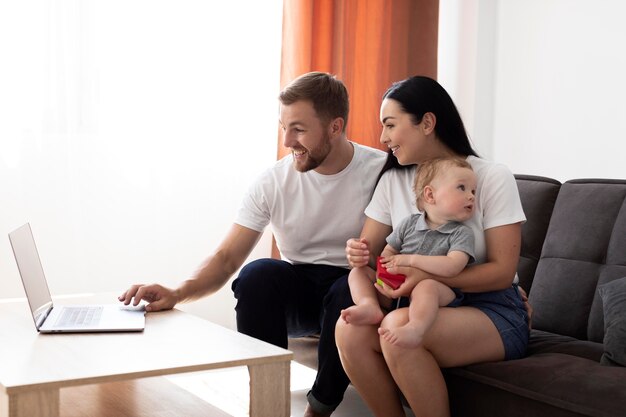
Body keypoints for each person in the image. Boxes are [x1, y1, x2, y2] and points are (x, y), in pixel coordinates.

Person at [117, 72, 387, 417]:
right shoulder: (273, 181)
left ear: (335, 127)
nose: (288, 141)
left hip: (356, 287)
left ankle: (317, 410)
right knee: (257, 273)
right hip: (302, 288)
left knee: (345, 289)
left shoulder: (380, 171)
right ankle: (268, 402)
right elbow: (227, 256)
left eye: (299, 129)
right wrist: (177, 292)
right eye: (283, 127)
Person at [336, 75, 530, 417]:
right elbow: (371, 257)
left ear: (427, 122)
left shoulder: (490, 177)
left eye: (390, 125)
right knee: (349, 329)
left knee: (399, 329)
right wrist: (360, 255)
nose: (383, 138)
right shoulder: (393, 181)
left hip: (490, 309)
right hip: (421, 304)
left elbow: (502, 272)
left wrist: (421, 273)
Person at [341, 157, 477, 350]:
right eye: (462, 188)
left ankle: (416, 328)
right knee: (358, 272)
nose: (471, 196)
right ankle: (369, 305)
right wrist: (382, 267)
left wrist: (411, 260)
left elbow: (453, 266)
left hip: (439, 291)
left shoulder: (461, 233)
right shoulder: (409, 223)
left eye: (473, 191)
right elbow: (388, 252)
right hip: (397, 287)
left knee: (426, 286)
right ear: (430, 195)